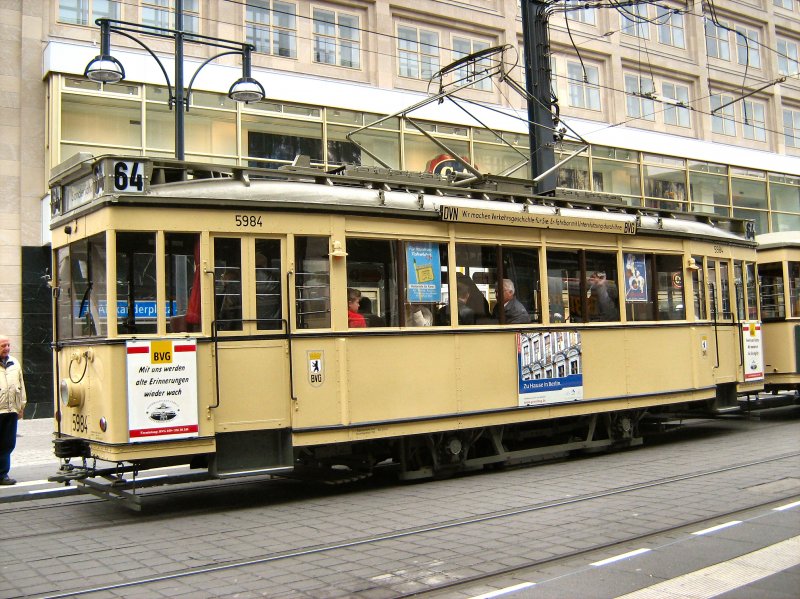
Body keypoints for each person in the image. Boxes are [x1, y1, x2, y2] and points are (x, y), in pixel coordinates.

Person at [0, 335, 26, 485]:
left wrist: (21, 406)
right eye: (3, 346)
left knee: (8, 444)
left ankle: (2, 474)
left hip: (10, 411)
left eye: (8, 345)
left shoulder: (14, 363)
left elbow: (21, 385)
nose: (7, 348)